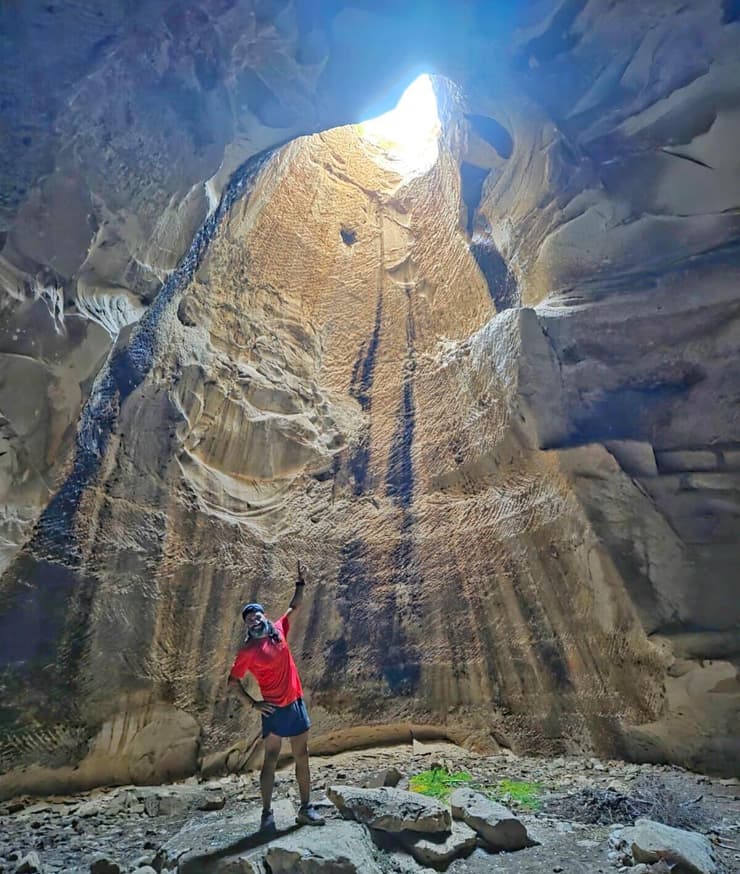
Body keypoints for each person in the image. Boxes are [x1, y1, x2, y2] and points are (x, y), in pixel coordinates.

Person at [227, 560, 325, 830]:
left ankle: (306, 808)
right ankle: (267, 814)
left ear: (263, 616)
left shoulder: (278, 630)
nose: (255, 619)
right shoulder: (247, 651)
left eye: (257, 615)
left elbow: (295, 607)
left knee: (301, 755)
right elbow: (233, 682)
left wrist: (301, 583)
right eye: (249, 618)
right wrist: (253, 703)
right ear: (247, 625)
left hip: (294, 703)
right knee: (270, 759)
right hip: (274, 710)